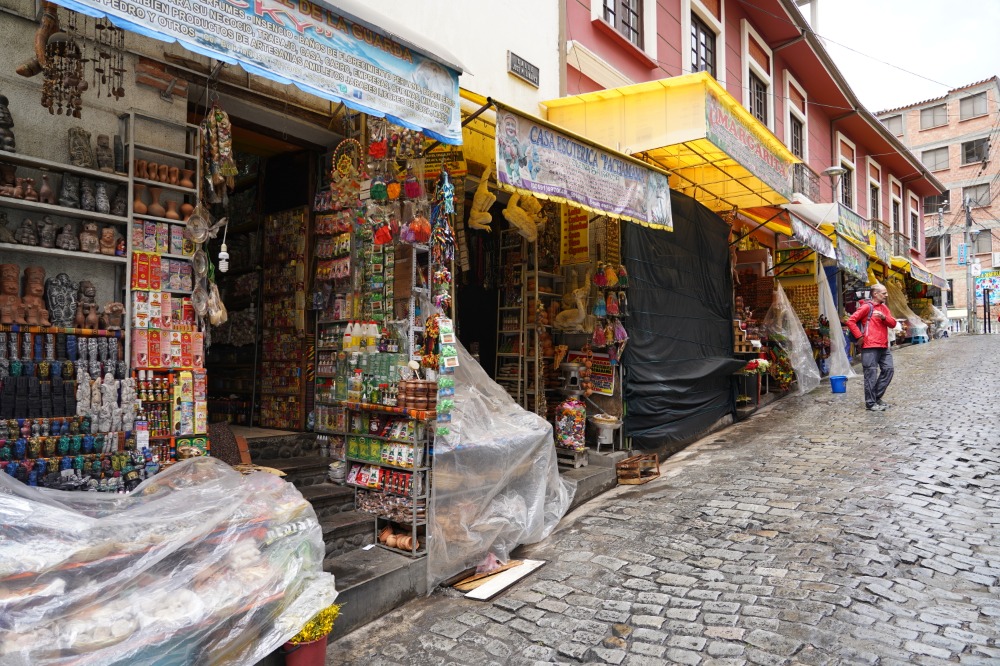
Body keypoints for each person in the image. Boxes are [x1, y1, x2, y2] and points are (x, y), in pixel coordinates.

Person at [847, 284, 897, 411]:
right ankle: (870, 403)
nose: (886, 295)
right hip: (869, 346)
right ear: (875, 294)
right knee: (871, 375)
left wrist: (884, 317)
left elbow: (893, 324)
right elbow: (851, 321)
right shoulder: (866, 307)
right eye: (883, 293)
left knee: (889, 370)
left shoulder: (884, 308)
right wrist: (859, 336)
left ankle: (876, 397)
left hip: (883, 345)